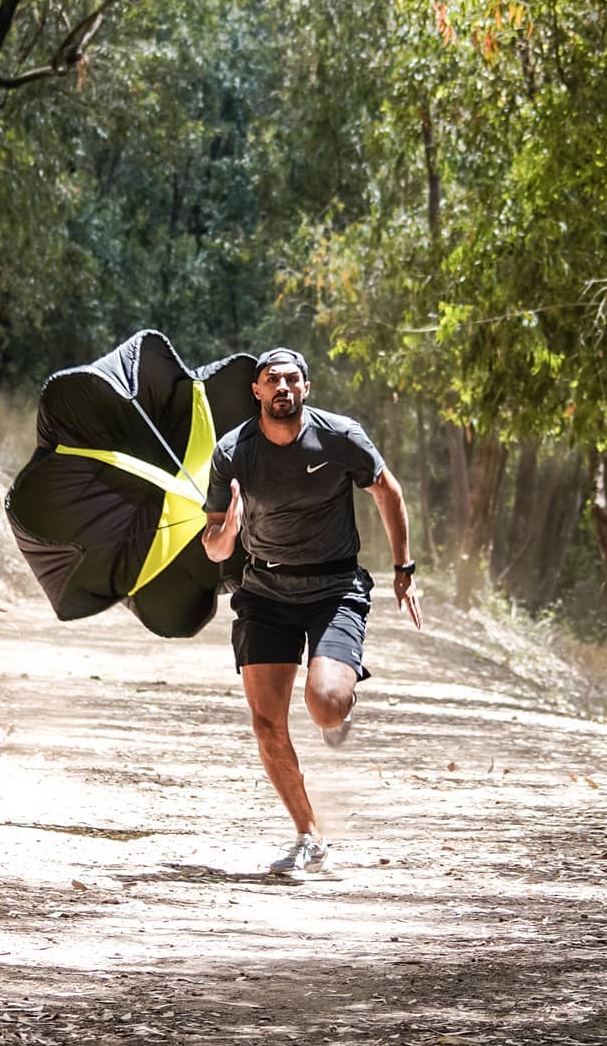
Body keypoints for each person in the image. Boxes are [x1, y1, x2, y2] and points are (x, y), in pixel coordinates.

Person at [202, 347, 423, 875]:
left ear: (306, 388)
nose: (282, 387)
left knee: (324, 704)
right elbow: (212, 546)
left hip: (334, 587)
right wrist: (227, 532)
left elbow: (388, 493)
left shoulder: (340, 436)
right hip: (265, 591)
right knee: (266, 723)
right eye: (271, 380)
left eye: (292, 379)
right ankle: (308, 835)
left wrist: (404, 569)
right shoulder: (233, 451)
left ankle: (336, 711)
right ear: (256, 391)